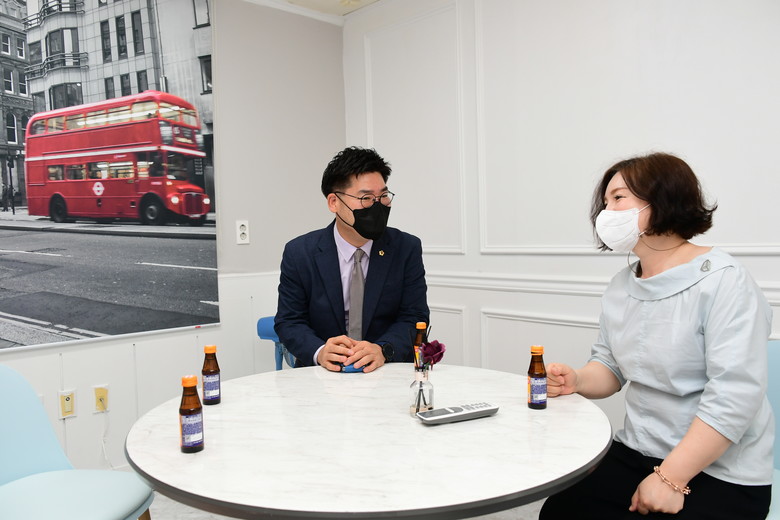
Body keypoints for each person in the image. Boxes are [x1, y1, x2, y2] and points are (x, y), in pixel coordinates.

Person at [539, 152, 773, 519]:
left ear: (662, 200)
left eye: (618, 198)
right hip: (639, 451)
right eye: (605, 202)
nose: (606, 213)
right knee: (561, 511)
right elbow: (611, 365)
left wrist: (670, 478)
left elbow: (734, 397)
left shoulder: (724, 281)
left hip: (721, 470)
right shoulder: (622, 285)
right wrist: (578, 380)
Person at [275, 146, 429, 373]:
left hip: (385, 370)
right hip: (321, 374)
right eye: (366, 198)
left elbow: (415, 317)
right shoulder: (300, 253)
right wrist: (320, 351)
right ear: (333, 202)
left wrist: (383, 349)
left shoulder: (406, 248)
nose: (377, 205)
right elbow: (289, 322)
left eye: (383, 196)